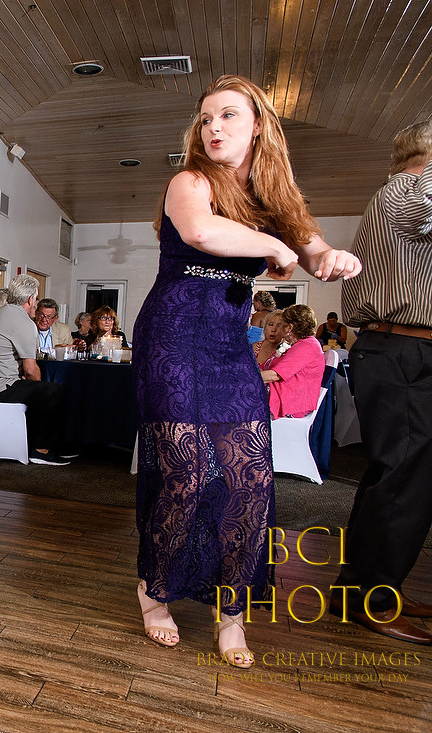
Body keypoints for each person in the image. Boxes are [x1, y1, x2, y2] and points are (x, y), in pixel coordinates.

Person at [132, 75, 361, 667]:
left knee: (250, 477)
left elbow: (313, 250)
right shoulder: (189, 182)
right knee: (184, 473)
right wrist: (274, 246)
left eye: (229, 115)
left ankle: (231, 612)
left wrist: (330, 256)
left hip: (230, 346)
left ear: (258, 125)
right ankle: (154, 589)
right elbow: (200, 231)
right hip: (173, 334)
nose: (213, 127)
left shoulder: (275, 199)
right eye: (206, 118)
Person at [333, 118, 432, 645]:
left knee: (395, 477)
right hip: (403, 350)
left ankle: (364, 587)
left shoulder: (405, 193)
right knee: (405, 479)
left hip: (403, 350)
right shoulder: (407, 189)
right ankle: (369, 596)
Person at [0, 274, 73, 466]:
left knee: (39, 391)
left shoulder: (0, 313)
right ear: (31, 299)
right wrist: (39, 387)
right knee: (53, 391)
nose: (37, 303)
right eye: (37, 298)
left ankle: (40, 443)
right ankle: (41, 449)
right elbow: (31, 370)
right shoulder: (23, 321)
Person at [260, 305, 324, 419]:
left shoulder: (308, 346)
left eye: (282, 325)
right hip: (279, 395)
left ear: (290, 327)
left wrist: (244, 377)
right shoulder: (297, 344)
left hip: (290, 402)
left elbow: (275, 375)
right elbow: (264, 367)